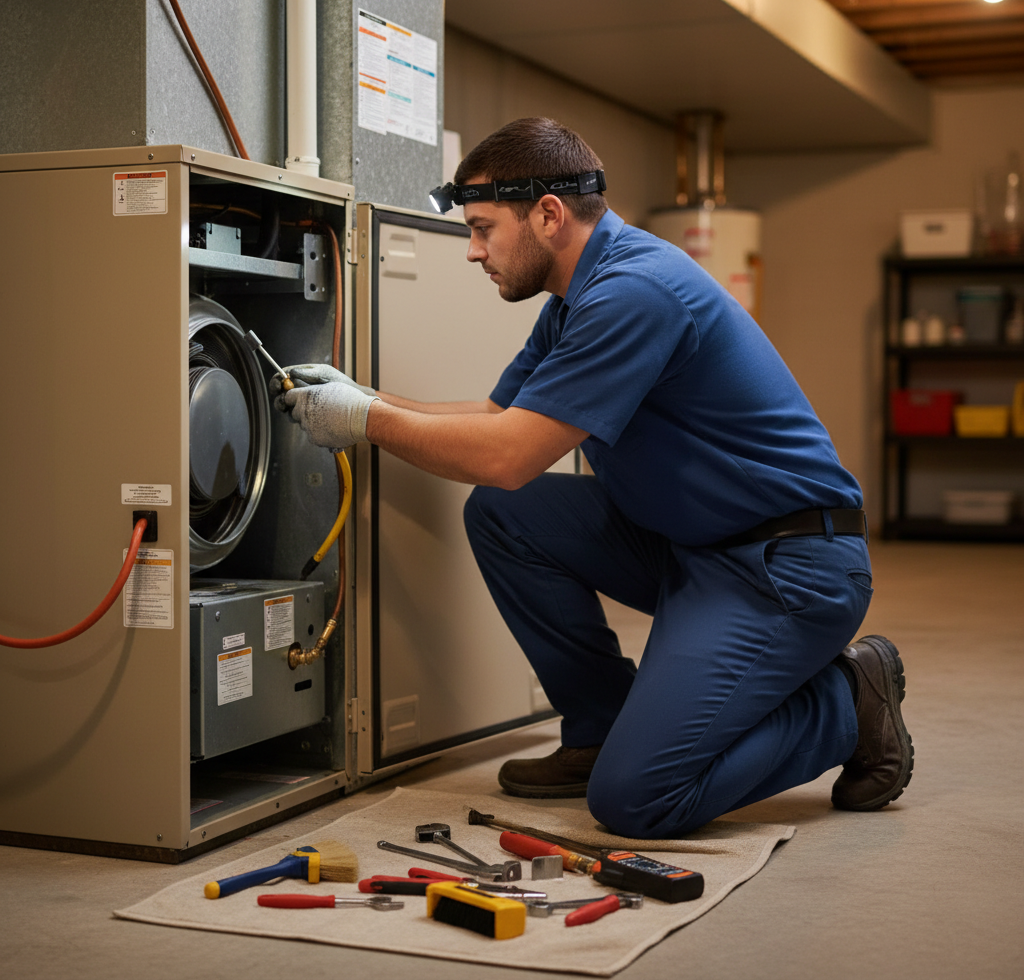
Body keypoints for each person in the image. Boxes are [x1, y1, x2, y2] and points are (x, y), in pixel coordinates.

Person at [269, 117, 914, 839]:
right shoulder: (575, 299)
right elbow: (493, 414)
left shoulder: (634, 292)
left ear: (547, 214)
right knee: (506, 515)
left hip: (786, 568)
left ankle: (847, 702)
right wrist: (361, 397)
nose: (473, 252)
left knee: (638, 799)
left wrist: (361, 422)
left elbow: (509, 453)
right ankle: (601, 728)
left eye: (482, 229)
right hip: (696, 546)